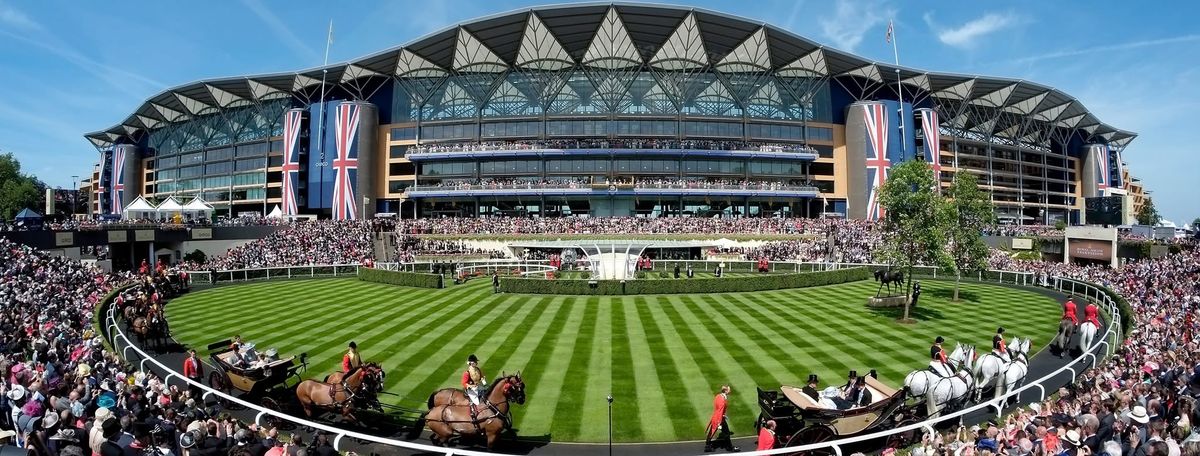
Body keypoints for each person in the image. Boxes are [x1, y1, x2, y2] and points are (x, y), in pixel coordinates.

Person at [704, 385, 737, 452]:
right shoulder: (722, 400)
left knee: (711, 431)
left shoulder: (718, 396)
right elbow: (720, 411)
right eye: (729, 390)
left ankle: (707, 446)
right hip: (719, 419)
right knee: (727, 433)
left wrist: (723, 415)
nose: (730, 391)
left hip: (716, 417)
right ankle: (729, 448)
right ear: (725, 391)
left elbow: (717, 408)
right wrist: (719, 423)